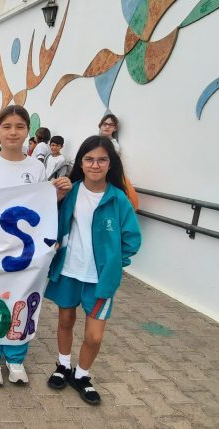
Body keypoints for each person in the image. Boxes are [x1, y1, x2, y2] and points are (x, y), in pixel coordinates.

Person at [0, 105, 72, 386]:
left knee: (21, 302)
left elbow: (39, 206)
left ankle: (17, 357)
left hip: (26, 254)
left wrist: (57, 195)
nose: (13, 132)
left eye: (19, 126)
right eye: (7, 126)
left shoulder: (35, 166)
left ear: (27, 132)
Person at [45, 135, 141, 405]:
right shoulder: (71, 190)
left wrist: (113, 263)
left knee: (94, 335)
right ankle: (63, 365)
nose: (95, 165)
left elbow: (132, 240)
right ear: (81, 163)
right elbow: (47, 218)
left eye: (101, 159)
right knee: (65, 321)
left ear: (111, 164)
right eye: (89, 159)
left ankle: (82, 375)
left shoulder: (118, 199)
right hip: (68, 271)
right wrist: (57, 196)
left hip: (99, 279)